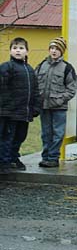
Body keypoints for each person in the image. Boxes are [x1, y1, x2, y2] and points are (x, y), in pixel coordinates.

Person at [0, 37, 41, 174]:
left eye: (21, 48)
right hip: (9, 112)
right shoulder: (7, 67)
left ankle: (13, 157)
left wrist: (36, 107)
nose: (18, 51)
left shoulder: (29, 70)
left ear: (27, 51)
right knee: (7, 137)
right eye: (15, 48)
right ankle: (4, 162)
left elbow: (35, 90)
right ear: (10, 51)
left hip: (24, 112)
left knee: (20, 136)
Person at [35, 37, 77, 168]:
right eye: (52, 48)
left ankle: (53, 158)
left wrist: (60, 99)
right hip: (44, 106)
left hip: (59, 107)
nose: (54, 51)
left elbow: (71, 89)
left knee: (58, 133)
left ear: (62, 51)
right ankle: (45, 156)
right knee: (46, 133)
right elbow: (35, 83)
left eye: (57, 49)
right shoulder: (41, 65)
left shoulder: (67, 68)